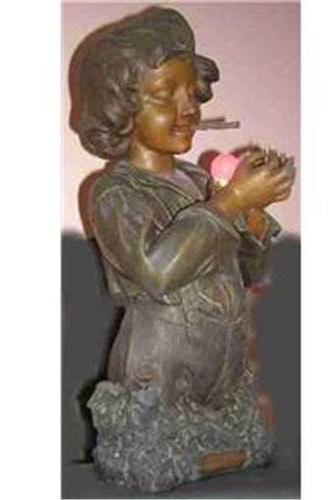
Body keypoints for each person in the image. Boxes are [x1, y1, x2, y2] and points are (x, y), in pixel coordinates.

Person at [72, 7, 294, 415]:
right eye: (164, 95)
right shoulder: (115, 193)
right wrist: (232, 200)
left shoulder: (201, 182)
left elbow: (251, 274)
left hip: (223, 372)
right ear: (119, 108)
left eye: (192, 94)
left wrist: (254, 217)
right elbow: (158, 273)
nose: (188, 108)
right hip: (158, 377)